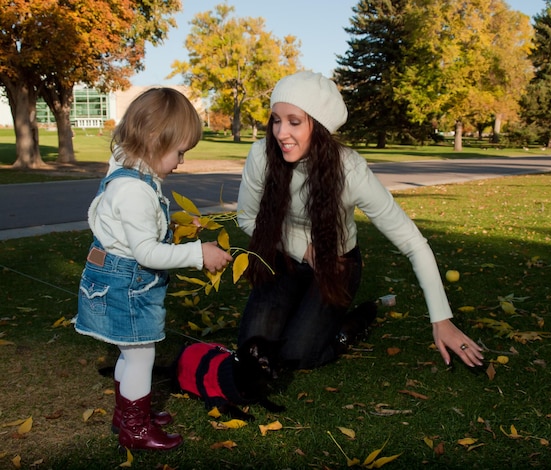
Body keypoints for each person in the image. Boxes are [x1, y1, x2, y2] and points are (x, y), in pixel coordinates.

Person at [236, 71, 484, 370]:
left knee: (296, 355)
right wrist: (303, 249)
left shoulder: (350, 171)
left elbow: (412, 242)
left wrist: (441, 319)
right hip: (284, 259)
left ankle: (353, 323)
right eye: (276, 119)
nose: (279, 132)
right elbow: (247, 217)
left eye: (294, 121)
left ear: (321, 127)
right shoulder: (261, 156)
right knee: (252, 350)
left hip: (336, 264)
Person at [74, 88, 232, 451]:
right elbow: (146, 252)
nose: (180, 162)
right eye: (178, 152)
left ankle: (128, 412)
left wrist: (171, 226)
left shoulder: (126, 167)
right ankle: (135, 427)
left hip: (113, 274)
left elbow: (137, 230)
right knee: (141, 354)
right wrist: (198, 253)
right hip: (126, 282)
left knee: (130, 353)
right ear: (151, 140)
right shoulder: (134, 191)